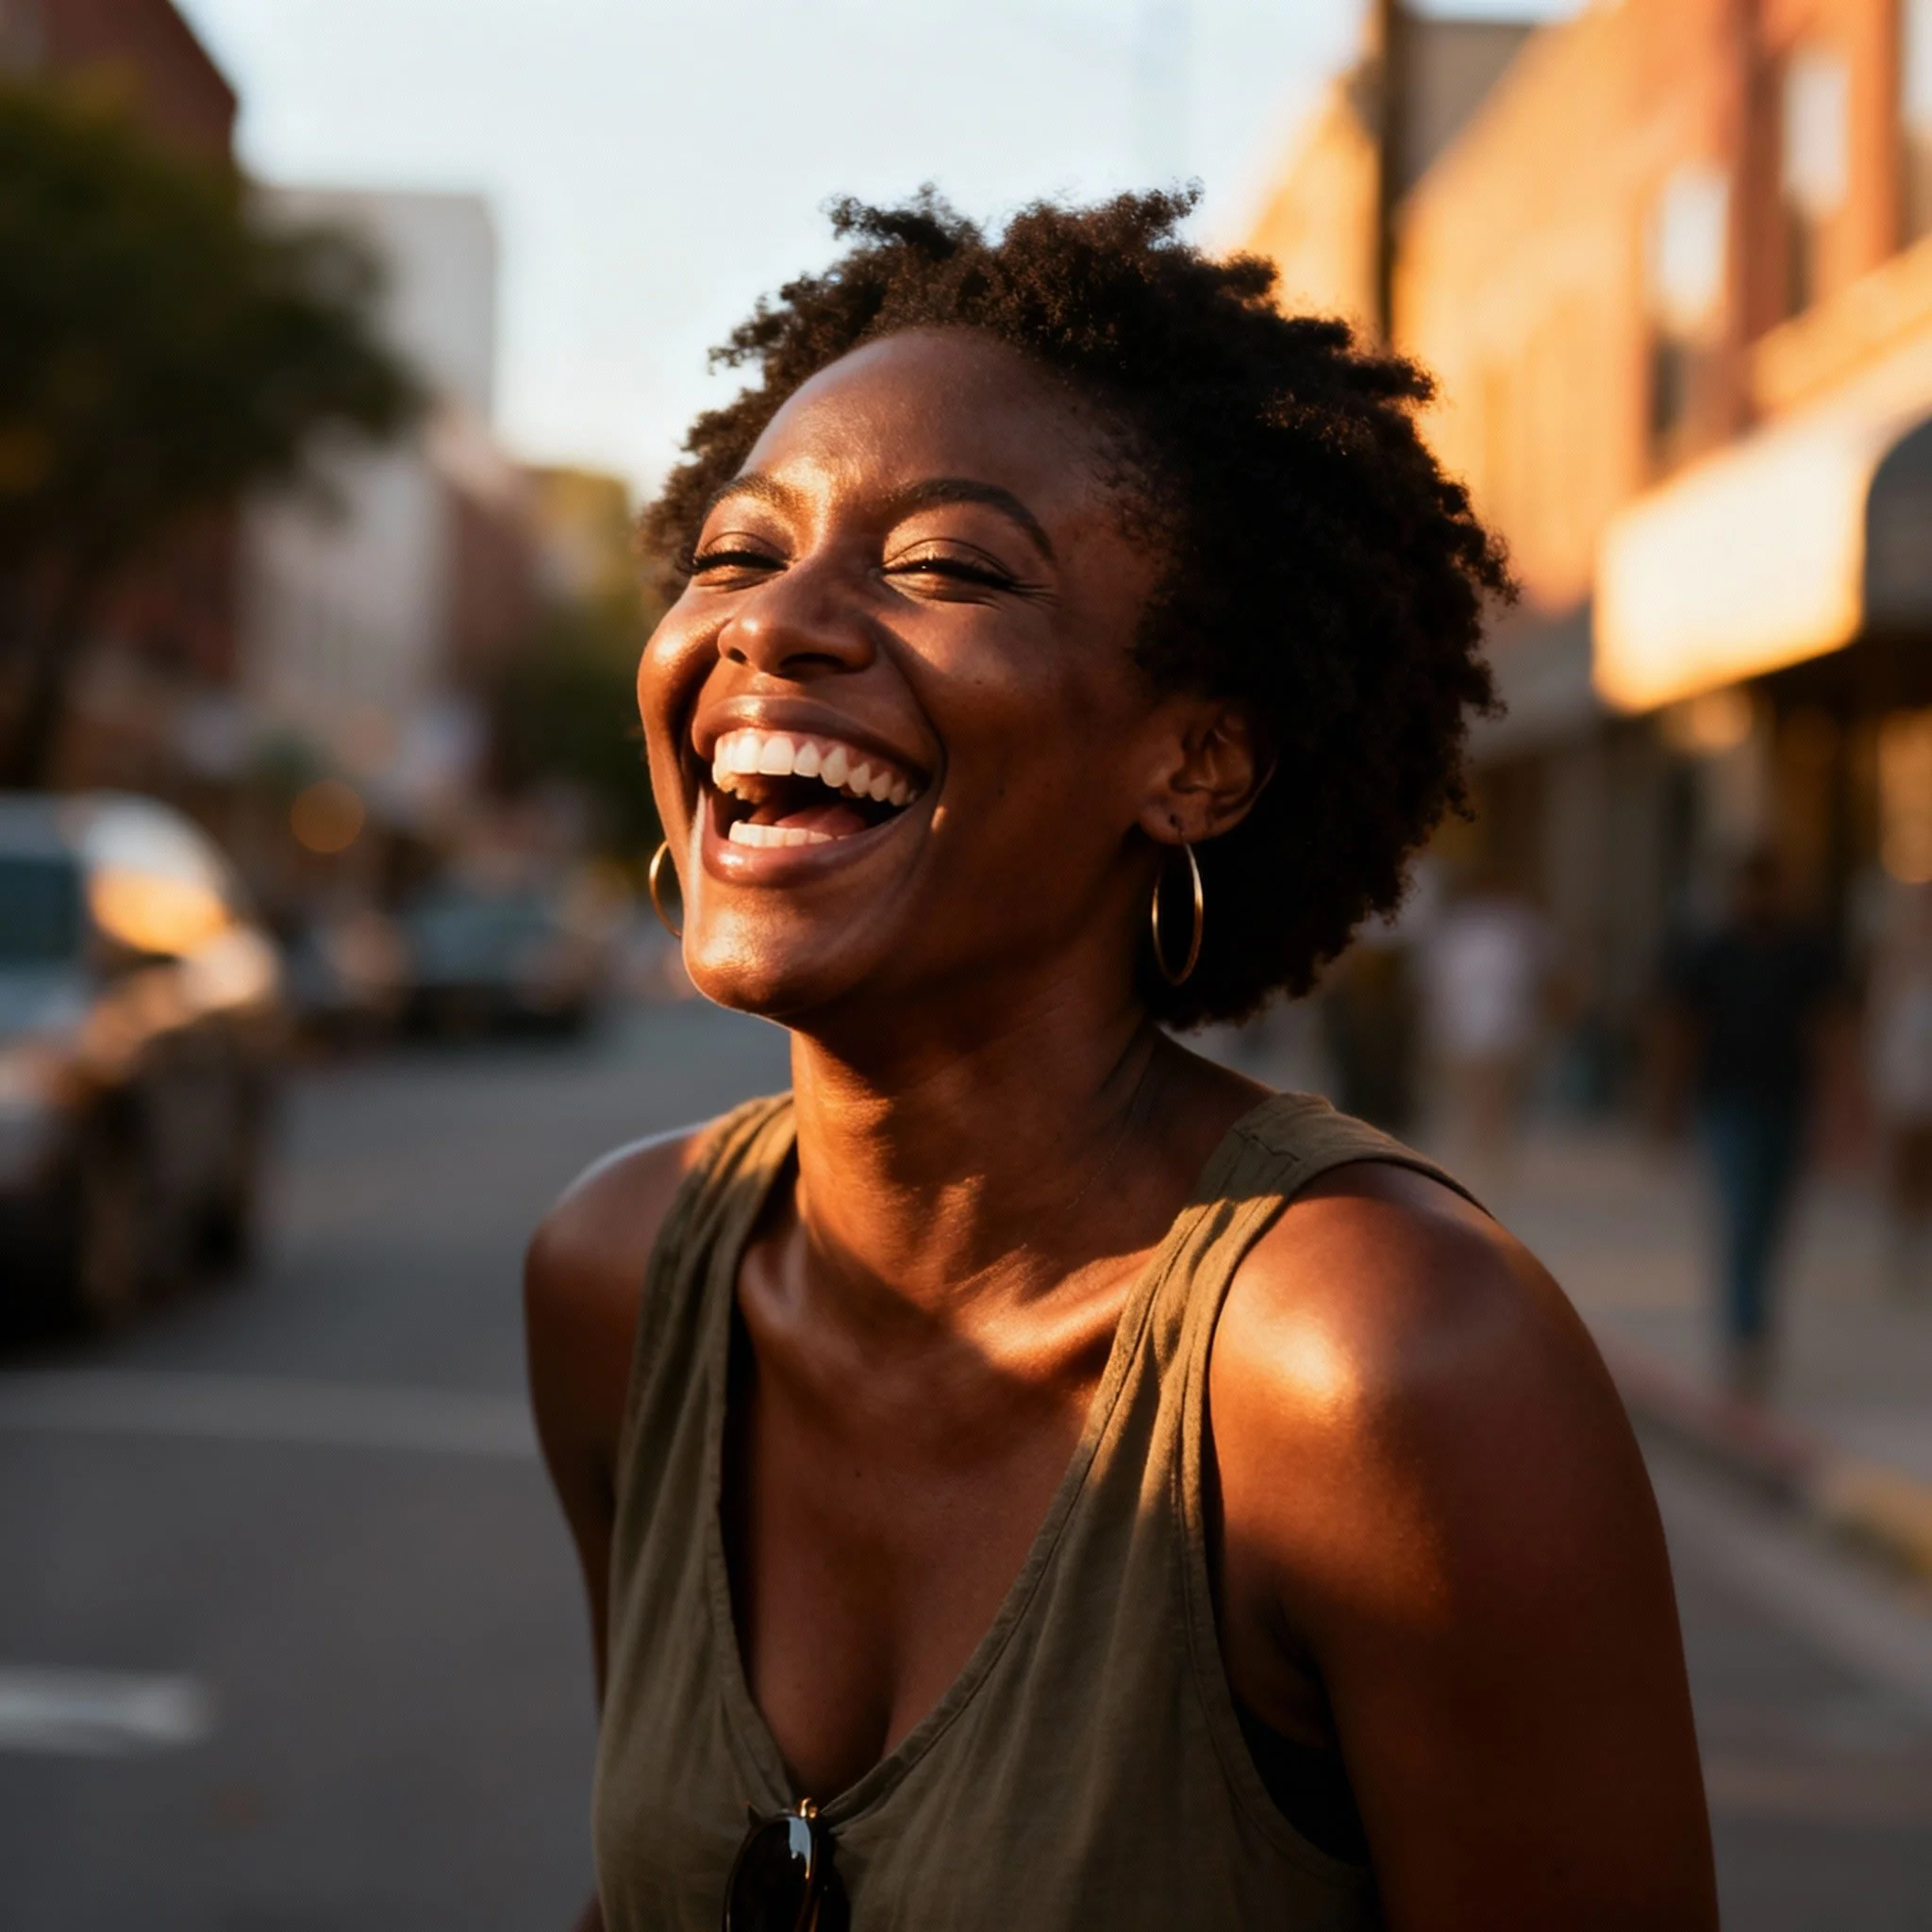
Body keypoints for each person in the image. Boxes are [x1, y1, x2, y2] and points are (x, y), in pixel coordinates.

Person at [525, 192, 1714, 1931]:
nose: (772, 626)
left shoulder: (1376, 1369)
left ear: (1198, 762)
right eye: (733, 551)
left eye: (944, 566)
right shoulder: (617, 1280)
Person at [1661, 849, 1837, 1399]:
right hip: (1727, 1102)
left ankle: (1754, 1318)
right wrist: (1666, 1098)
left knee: (1771, 1216)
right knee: (1740, 1214)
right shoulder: (1711, 952)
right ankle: (1744, 1332)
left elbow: (1828, 1028)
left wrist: (1842, 1105)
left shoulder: (1806, 953)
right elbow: (1679, 1026)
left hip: (1788, 1101)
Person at [1864, 876, 1932, 1291]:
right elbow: (1882, 1009)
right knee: (1904, 1157)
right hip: (1907, 1068)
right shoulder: (1902, 950)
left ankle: (1917, 1234)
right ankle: (1904, 1239)